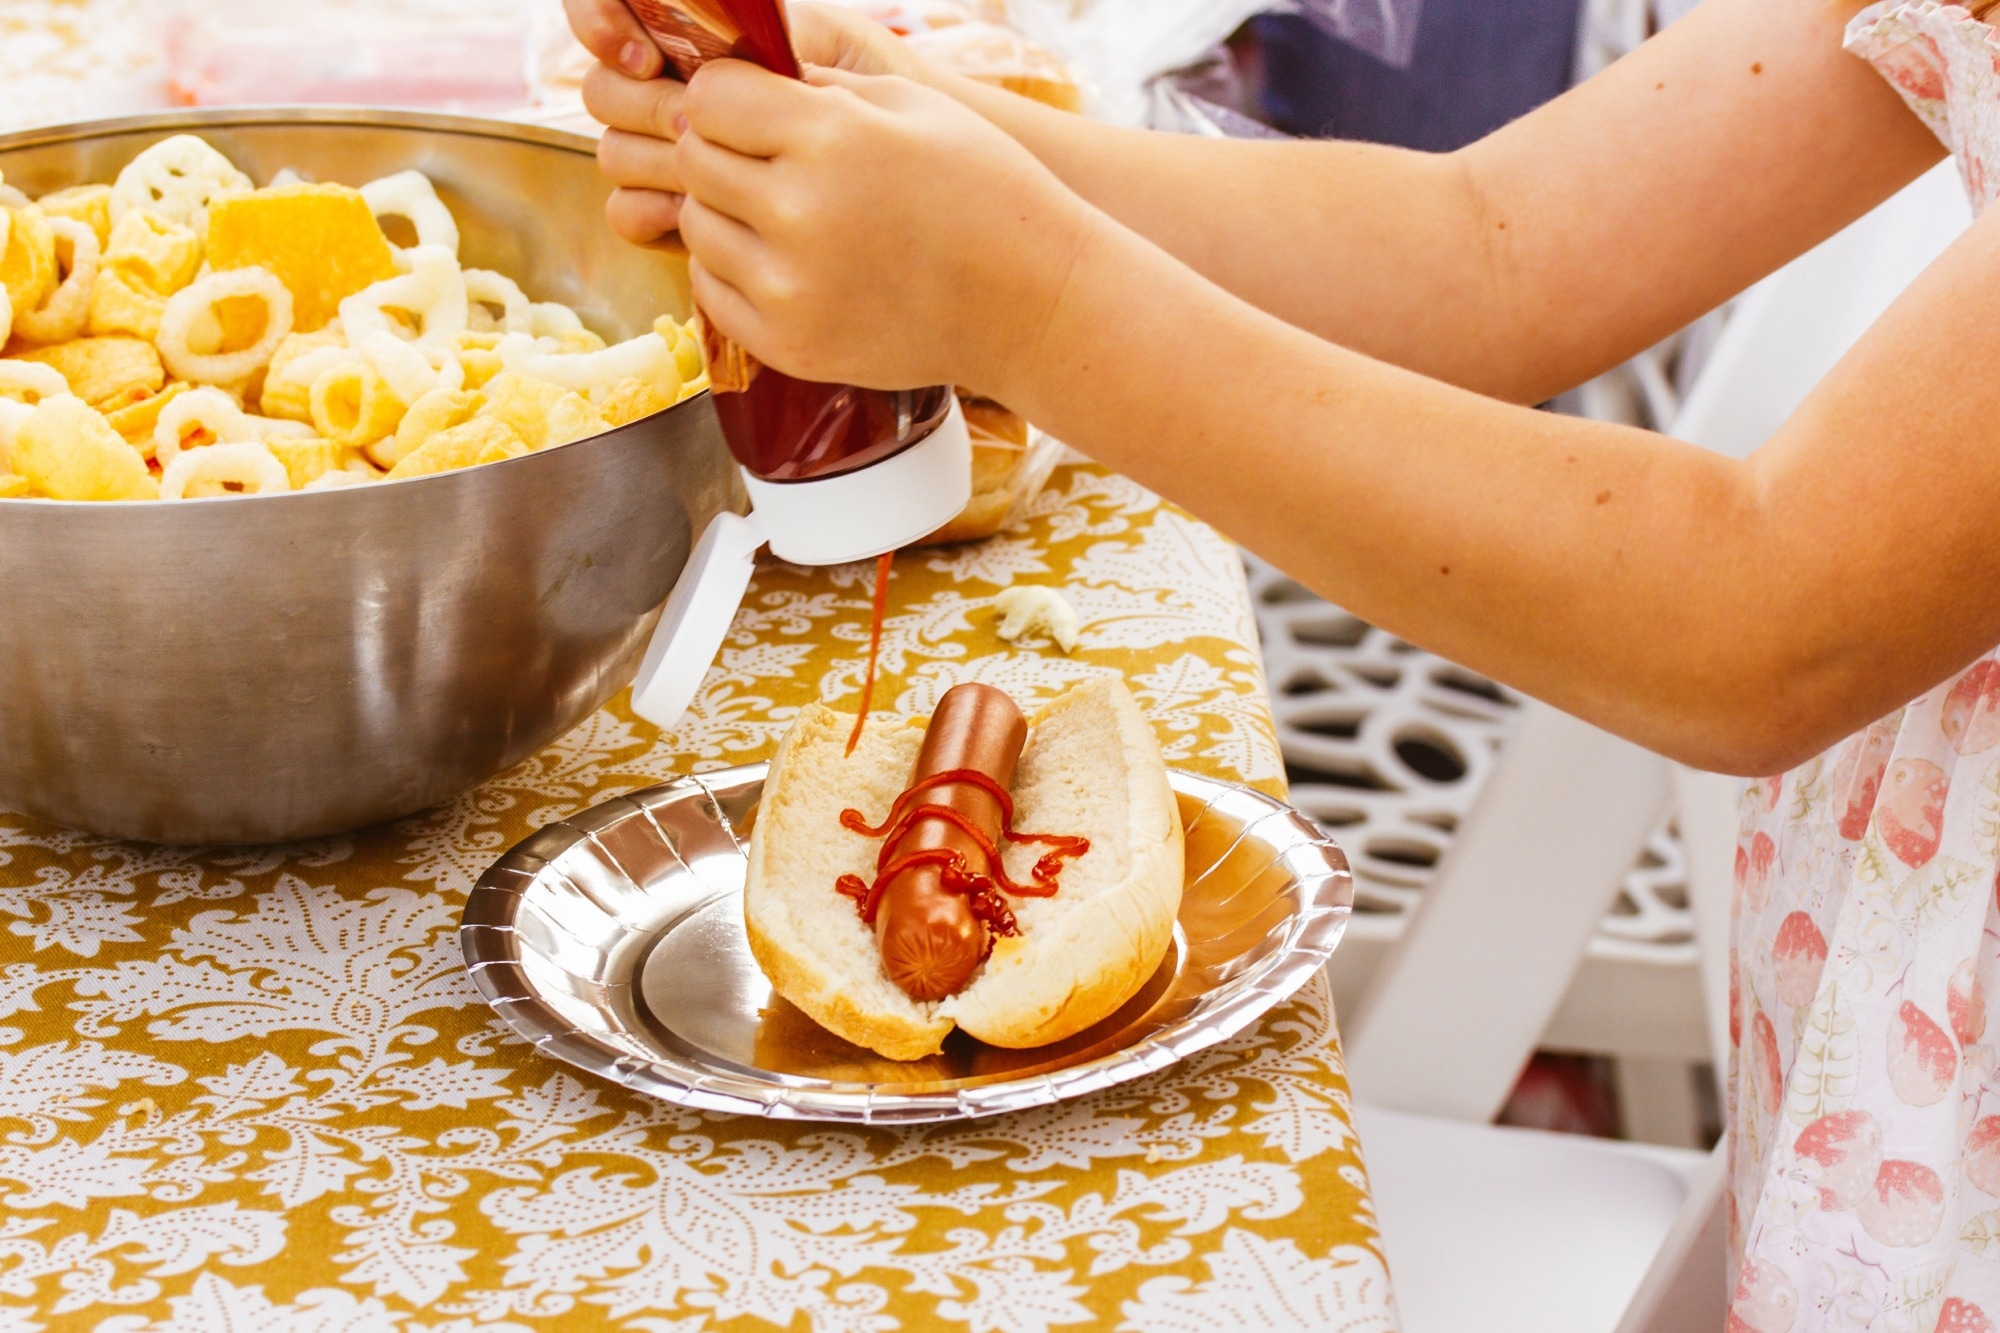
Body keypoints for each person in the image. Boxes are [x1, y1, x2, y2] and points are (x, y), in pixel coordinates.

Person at [565, 0, 2000, 1321]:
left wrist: (1030, 305)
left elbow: (1762, 619)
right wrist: (890, 122)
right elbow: (1495, 249)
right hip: (1876, 1057)